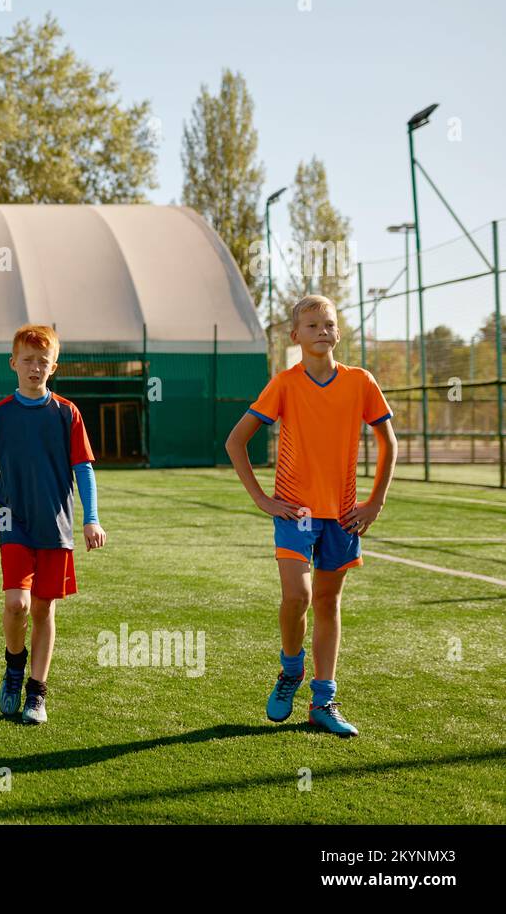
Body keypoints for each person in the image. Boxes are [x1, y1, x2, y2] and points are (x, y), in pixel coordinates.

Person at [225, 294, 396, 737]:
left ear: (338, 332)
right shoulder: (284, 384)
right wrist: (263, 499)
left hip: (342, 515)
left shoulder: (361, 382)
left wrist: (374, 502)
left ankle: (323, 701)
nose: (323, 331)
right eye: (313, 325)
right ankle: (290, 671)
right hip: (294, 511)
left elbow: (388, 443)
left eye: (330, 324)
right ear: (294, 335)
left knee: (327, 602)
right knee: (297, 596)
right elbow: (235, 441)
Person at [0, 324, 106, 725]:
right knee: (17, 603)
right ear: (13, 363)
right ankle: (14, 667)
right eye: (28, 360)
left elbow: (83, 470)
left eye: (43, 362)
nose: (35, 368)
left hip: (56, 524)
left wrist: (91, 518)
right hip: (13, 519)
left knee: (44, 610)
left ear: (54, 367)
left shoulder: (67, 413)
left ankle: (37, 691)